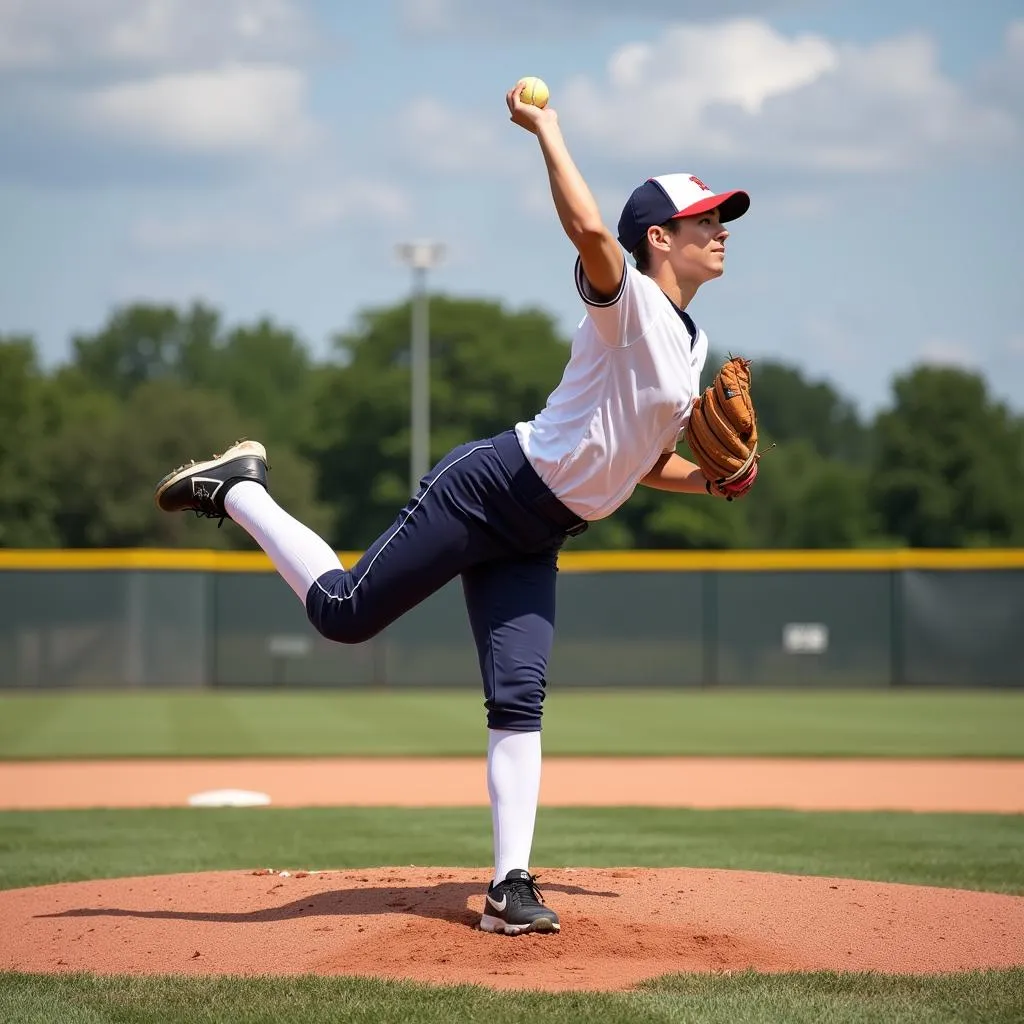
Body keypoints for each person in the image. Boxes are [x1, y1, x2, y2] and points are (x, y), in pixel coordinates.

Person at [153, 81, 755, 936]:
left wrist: (711, 481)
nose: (720, 230)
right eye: (704, 221)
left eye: (721, 219)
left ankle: (511, 885)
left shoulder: (690, 346)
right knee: (343, 615)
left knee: (520, 698)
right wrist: (547, 128)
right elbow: (589, 230)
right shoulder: (631, 305)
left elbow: (643, 457)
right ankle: (240, 487)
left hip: (541, 528)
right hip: (488, 490)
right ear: (658, 238)